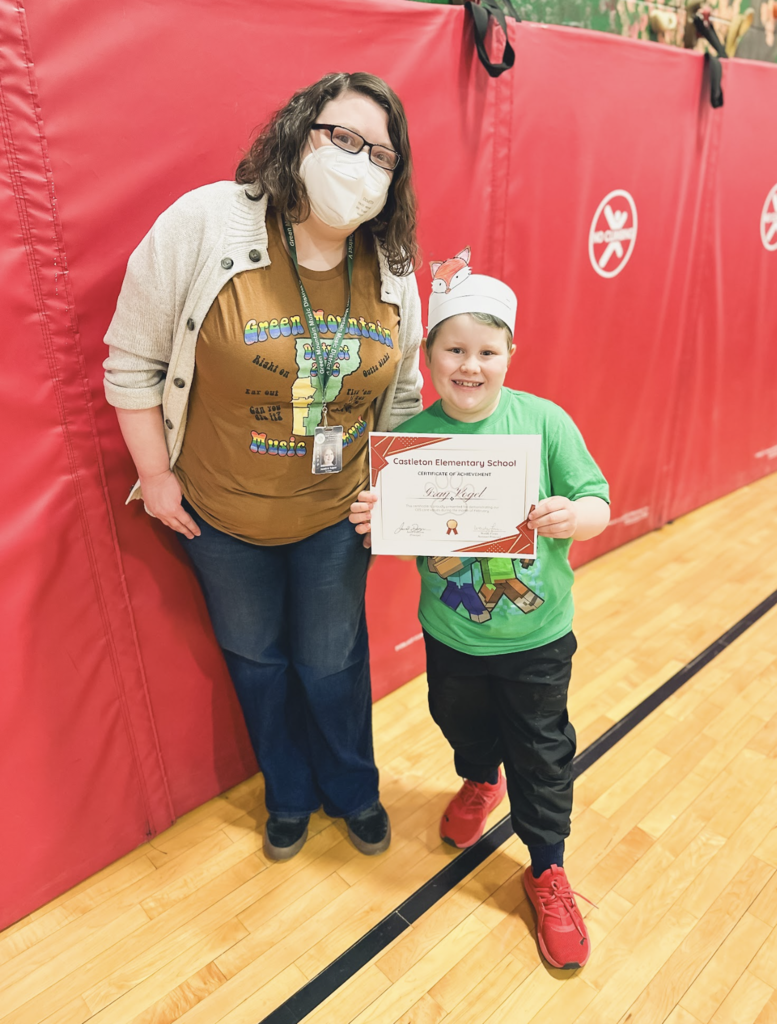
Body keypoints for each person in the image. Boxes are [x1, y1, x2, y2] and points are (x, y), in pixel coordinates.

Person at [103, 72, 424, 862]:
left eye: (380, 154)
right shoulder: (207, 222)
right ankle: (286, 793)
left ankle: (352, 790)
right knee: (256, 661)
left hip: (333, 516)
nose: (359, 164)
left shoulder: (391, 263)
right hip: (219, 516)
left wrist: (396, 490)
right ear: (298, 132)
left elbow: (407, 391)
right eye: (342, 139)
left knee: (333, 661)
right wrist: (157, 474)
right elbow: (131, 363)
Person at [349, 261, 610, 969]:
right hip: (453, 633)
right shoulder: (409, 439)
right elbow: (389, 534)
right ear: (428, 355)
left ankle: (547, 867)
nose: (469, 365)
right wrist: (374, 515)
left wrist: (571, 517)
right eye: (453, 350)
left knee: (542, 750)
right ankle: (477, 777)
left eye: (486, 351)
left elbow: (597, 501)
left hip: (536, 636)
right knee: (458, 722)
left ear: (509, 356)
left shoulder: (543, 421)